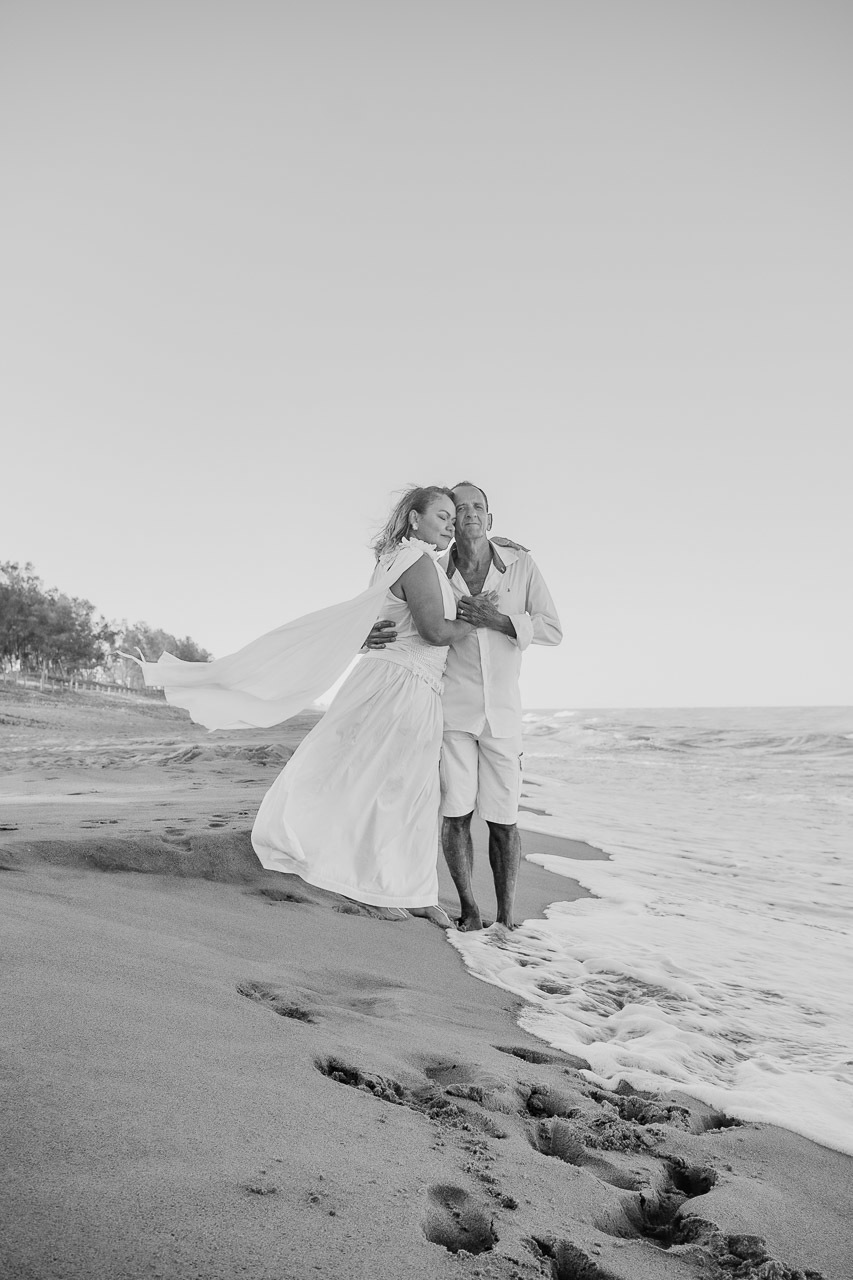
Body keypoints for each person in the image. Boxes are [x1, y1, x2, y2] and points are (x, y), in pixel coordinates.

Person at [251, 486, 476, 925]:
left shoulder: (393, 559)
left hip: (406, 681)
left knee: (410, 790)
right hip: (402, 684)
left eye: (454, 518)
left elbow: (374, 620)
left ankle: (413, 888)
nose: (451, 525)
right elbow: (433, 630)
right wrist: (472, 620)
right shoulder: (417, 561)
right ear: (414, 518)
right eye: (442, 516)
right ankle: (372, 887)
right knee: (390, 787)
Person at [440, 482, 562, 931]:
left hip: (505, 715)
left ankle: (507, 918)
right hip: (452, 709)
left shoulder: (520, 565)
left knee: (504, 819)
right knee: (456, 811)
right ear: (449, 520)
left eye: (478, 507)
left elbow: (552, 629)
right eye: (460, 507)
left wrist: (501, 620)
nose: (470, 513)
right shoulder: (435, 568)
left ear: (490, 520)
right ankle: (470, 909)